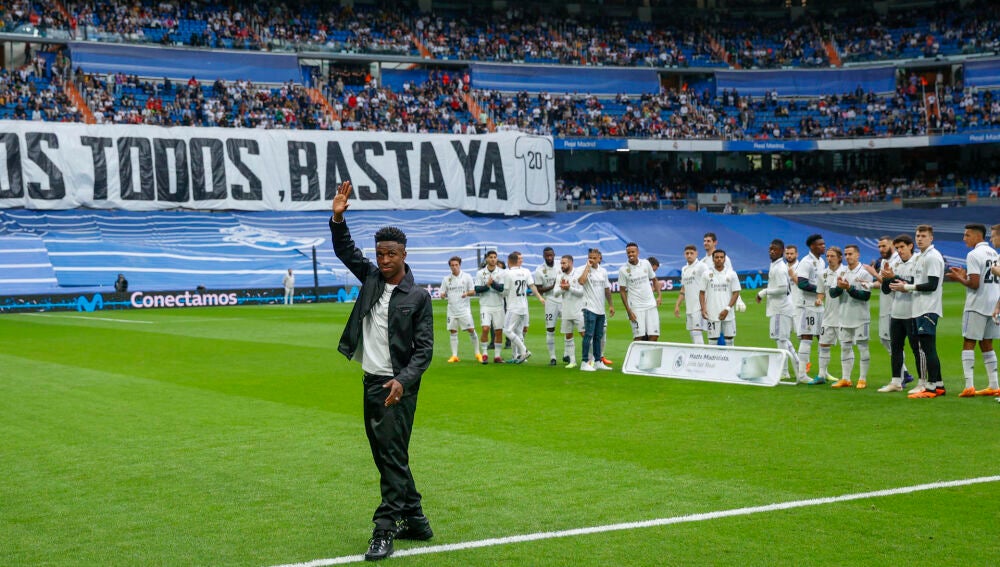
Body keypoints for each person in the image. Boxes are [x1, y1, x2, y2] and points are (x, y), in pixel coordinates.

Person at [330, 181, 434, 562]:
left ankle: (384, 529)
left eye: (391, 254)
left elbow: (424, 352)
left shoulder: (418, 297)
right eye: (380, 254)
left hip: (398, 388)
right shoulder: (372, 278)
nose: (384, 259)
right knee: (387, 456)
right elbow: (346, 251)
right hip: (371, 382)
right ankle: (416, 521)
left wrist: (402, 382)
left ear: (404, 254)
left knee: (390, 458)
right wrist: (338, 219)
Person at [947, 223, 1000, 396]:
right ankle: (994, 385)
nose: (964, 239)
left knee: (969, 342)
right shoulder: (995, 254)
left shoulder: (973, 254)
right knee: (987, 343)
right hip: (994, 303)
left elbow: (975, 284)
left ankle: (969, 386)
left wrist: (959, 278)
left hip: (977, 304)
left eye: (967, 235)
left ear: (977, 236)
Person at [904, 224, 946, 399]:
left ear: (931, 238)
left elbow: (932, 285)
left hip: (928, 308)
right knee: (927, 347)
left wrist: (908, 287)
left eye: (923, 236)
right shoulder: (921, 256)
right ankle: (939, 385)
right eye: (918, 236)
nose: (920, 239)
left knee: (928, 348)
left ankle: (930, 388)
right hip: (920, 307)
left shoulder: (933, 257)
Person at [865, 236, 913, 386]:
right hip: (885, 304)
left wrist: (874, 274)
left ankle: (902, 375)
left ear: (892, 245)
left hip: (894, 306)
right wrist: (870, 284)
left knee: (892, 342)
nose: (881, 249)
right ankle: (904, 373)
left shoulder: (897, 261)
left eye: (884, 246)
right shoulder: (885, 261)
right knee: (886, 340)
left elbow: (893, 282)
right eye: (879, 246)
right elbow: (884, 284)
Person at [878, 234, 919, 393]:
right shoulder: (893, 263)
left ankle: (923, 382)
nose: (899, 250)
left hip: (913, 311)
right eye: (898, 247)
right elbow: (886, 290)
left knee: (917, 349)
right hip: (896, 311)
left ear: (910, 246)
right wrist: (887, 278)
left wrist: (894, 277)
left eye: (902, 247)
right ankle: (896, 382)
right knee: (895, 348)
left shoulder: (917, 261)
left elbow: (918, 285)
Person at [831, 245, 874, 389]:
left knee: (862, 347)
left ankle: (862, 379)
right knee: (845, 347)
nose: (847, 256)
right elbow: (832, 294)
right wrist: (839, 287)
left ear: (857, 255)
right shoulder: (841, 271)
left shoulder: (865, 273)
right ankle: (846, 378)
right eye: (846, 254)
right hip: (844, 317)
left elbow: (865, 296)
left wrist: (849, 288)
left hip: (860, 318)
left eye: (850, 254)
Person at [756, 239, 798, 380]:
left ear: (782, 251)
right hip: (780, 308)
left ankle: (784, 372)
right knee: (783, 339)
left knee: (781, 340)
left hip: (781, 308)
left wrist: (764, 292)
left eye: (775, 249)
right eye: (770, 249)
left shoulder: (779, 268)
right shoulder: (776, 265)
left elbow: (783, 289)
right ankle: (798, 363)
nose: (772, 251)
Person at [502, 251, 545, 363]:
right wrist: (540, 298)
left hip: (513, 307)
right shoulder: (526, 271)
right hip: (523, 307)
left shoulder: (508, 273)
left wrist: (499, 294)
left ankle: (524, 350)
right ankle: (517, 356)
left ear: (509, 261)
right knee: (518, 332)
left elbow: (505, 291)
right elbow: (532, 286)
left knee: (507, 330)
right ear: (517, 260)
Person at [796, 234, 827, 384]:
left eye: (823, 244)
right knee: (807, 337)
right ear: (812, 246)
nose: (823, 246)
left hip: (819, 306)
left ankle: (823, 373)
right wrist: (821, 289)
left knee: (823, 339)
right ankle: (802, 374)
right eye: (820, 244)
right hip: (808, 306)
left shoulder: (821, 261)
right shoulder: (805, 262)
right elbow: (802, 283)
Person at [578, 248, 615, 371]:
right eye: (590, 258)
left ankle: (598, 361)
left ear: (599, 259)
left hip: (600, 309)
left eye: (594, 258)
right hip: (589, 308)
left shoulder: (603, 271)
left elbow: (607, 289)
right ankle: (584, 362)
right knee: (588, 335)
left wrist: (611, 305)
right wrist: (587, 268)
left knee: (598, 336)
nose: (592, 260)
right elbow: (581, 281)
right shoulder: (585, 269)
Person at [440, 257, 482, 363]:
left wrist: (466, 293)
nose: (454, 267)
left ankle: (477, 353)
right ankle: (454, 356)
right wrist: (443, 295)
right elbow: (442, 293)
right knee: (453, 331)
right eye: (452, 265)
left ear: (460, 265)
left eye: (456, 265)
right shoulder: (446, 279)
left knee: (471, 330)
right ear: (450, 266)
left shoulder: (467, 277)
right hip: (451, 310)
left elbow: (473, 291)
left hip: (464, 310)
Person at [815, 247, 847, 385]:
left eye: (832, 256)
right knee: (823, 345)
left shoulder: (846, 272)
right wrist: (819, 299)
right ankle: (821, 375)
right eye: (827, 256)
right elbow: (821, 292)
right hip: (828, 316)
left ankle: (846, 377)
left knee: (846, 346)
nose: (829, 258)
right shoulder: (822, 274)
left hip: (843, 316)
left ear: (840, 258)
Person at [618, 242, 661, 342]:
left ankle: (649, 353)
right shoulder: (623, 270)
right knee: (639, 337)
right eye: (628, 253)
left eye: (633, 252)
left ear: (638, 252)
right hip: (636, 308)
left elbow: (654, 280)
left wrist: (659, 296)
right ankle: (637, 353)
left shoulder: (646, 263)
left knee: (654, 336)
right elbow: (622, 291)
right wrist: (629, 311)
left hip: (650, 305)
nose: (630, 254)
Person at [700, 249, 741, 346]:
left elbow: (736, 292)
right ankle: (713, 357)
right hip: (712, 313)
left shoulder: (732, 274)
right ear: (713, 259)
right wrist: (703, 308)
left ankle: (730, 356)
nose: (719, 259)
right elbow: (701, 292)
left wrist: (727, 309)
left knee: (729, 339)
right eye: (717, 257)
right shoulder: (706, 274)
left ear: (724, 259)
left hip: (728, 313)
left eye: (721, 257)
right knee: (712, 341)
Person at [555, 254, 585, 368]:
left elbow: (581, 293)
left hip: (579, 310)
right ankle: (572, 361)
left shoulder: (578, 275)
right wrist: (563, 289)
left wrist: (569, 288)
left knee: (584, 335)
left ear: (571, 263)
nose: (562, 265)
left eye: (564, 263)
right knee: (568, 336)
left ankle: (590, 359)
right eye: (561, 263)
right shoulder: (560, 276)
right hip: (566, 311)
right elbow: (555, 293)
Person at [475, 250, 505, 364]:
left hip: (498, 305)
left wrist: (492, 283)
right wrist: (487, 285)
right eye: (491, 257)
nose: (493, 259)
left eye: (494, 257)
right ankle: (484, 353)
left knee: (498, 331)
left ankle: (497, 356)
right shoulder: (480, 273)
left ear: (496, 259)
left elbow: (501, 288)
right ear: (487, 259)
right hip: (485, 305)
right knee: (485, 329)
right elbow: (477, 289)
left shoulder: (502, 272)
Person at [533, 247, 562, 365]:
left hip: (564, 299)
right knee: (550, 329)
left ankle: (567, 355)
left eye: (551, 255)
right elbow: (539, 289)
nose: (549, 258)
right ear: (543, 256)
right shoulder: (539, 270)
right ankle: (553, 357)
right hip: (550, 301)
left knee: (568, 326)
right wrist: (552, 286)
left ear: (554, 255)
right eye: (547, 256)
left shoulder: (561, 265)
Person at [676, 245, 708, 344]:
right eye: (687, 253)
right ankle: (697, 352)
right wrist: (677, 305)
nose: (689, 255)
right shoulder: (684, 269)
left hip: (699, 306)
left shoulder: (702, 266)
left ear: (696, 254)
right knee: (692, 333)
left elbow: (710, 282)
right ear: (684, 254)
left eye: (691, 253)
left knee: (696, 332)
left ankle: (701, 353)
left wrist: (705, 305)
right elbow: (683, 288)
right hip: (689, 306)